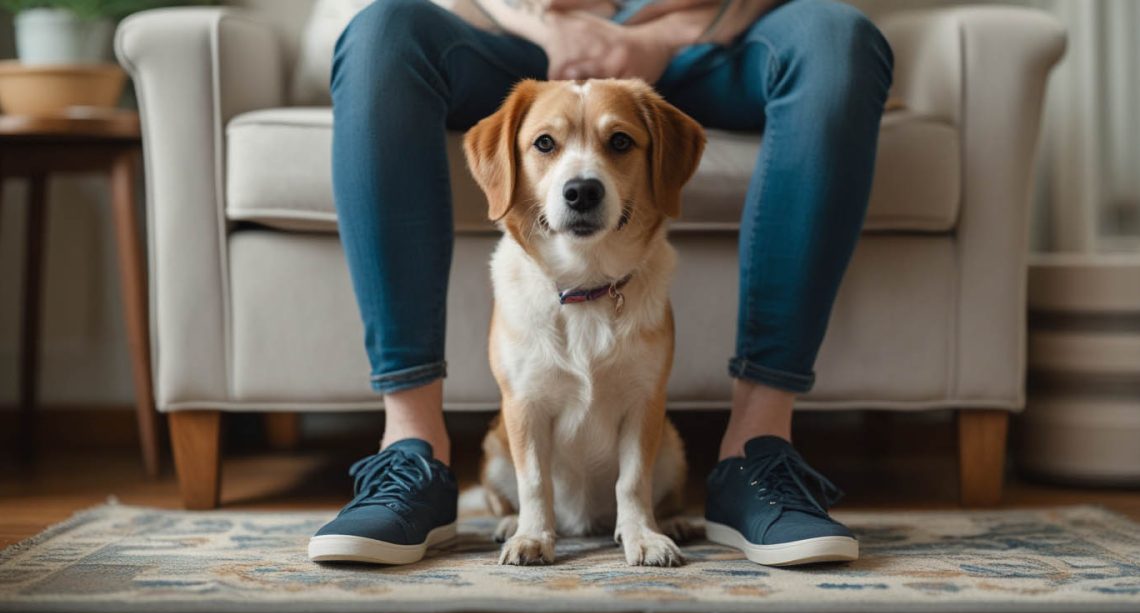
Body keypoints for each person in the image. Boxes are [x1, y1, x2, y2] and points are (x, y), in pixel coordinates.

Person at [308, 0, 893, 566]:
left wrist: (660, 39)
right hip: (517, 31)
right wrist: (539, 26)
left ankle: (758, 450)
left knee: (837, 36)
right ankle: (412, 451)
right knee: (381, 29)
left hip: (700, 38)